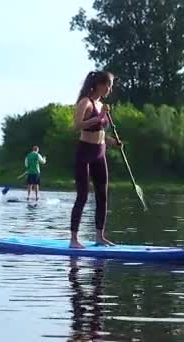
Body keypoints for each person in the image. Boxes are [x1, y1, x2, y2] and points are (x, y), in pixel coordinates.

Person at [69, 71, 121, 249]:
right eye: (108, 85)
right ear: (98, 84)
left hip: (100, 153)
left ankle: (100, 236)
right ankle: (74, 239)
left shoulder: (101, 105)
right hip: (85, 152)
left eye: (111, 86)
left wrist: (113, 142)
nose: (110, 89)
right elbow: (77, 125)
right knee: (82, 196)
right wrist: (99, 118)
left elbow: (100, 133)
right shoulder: (86, 102)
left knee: (102, 196)